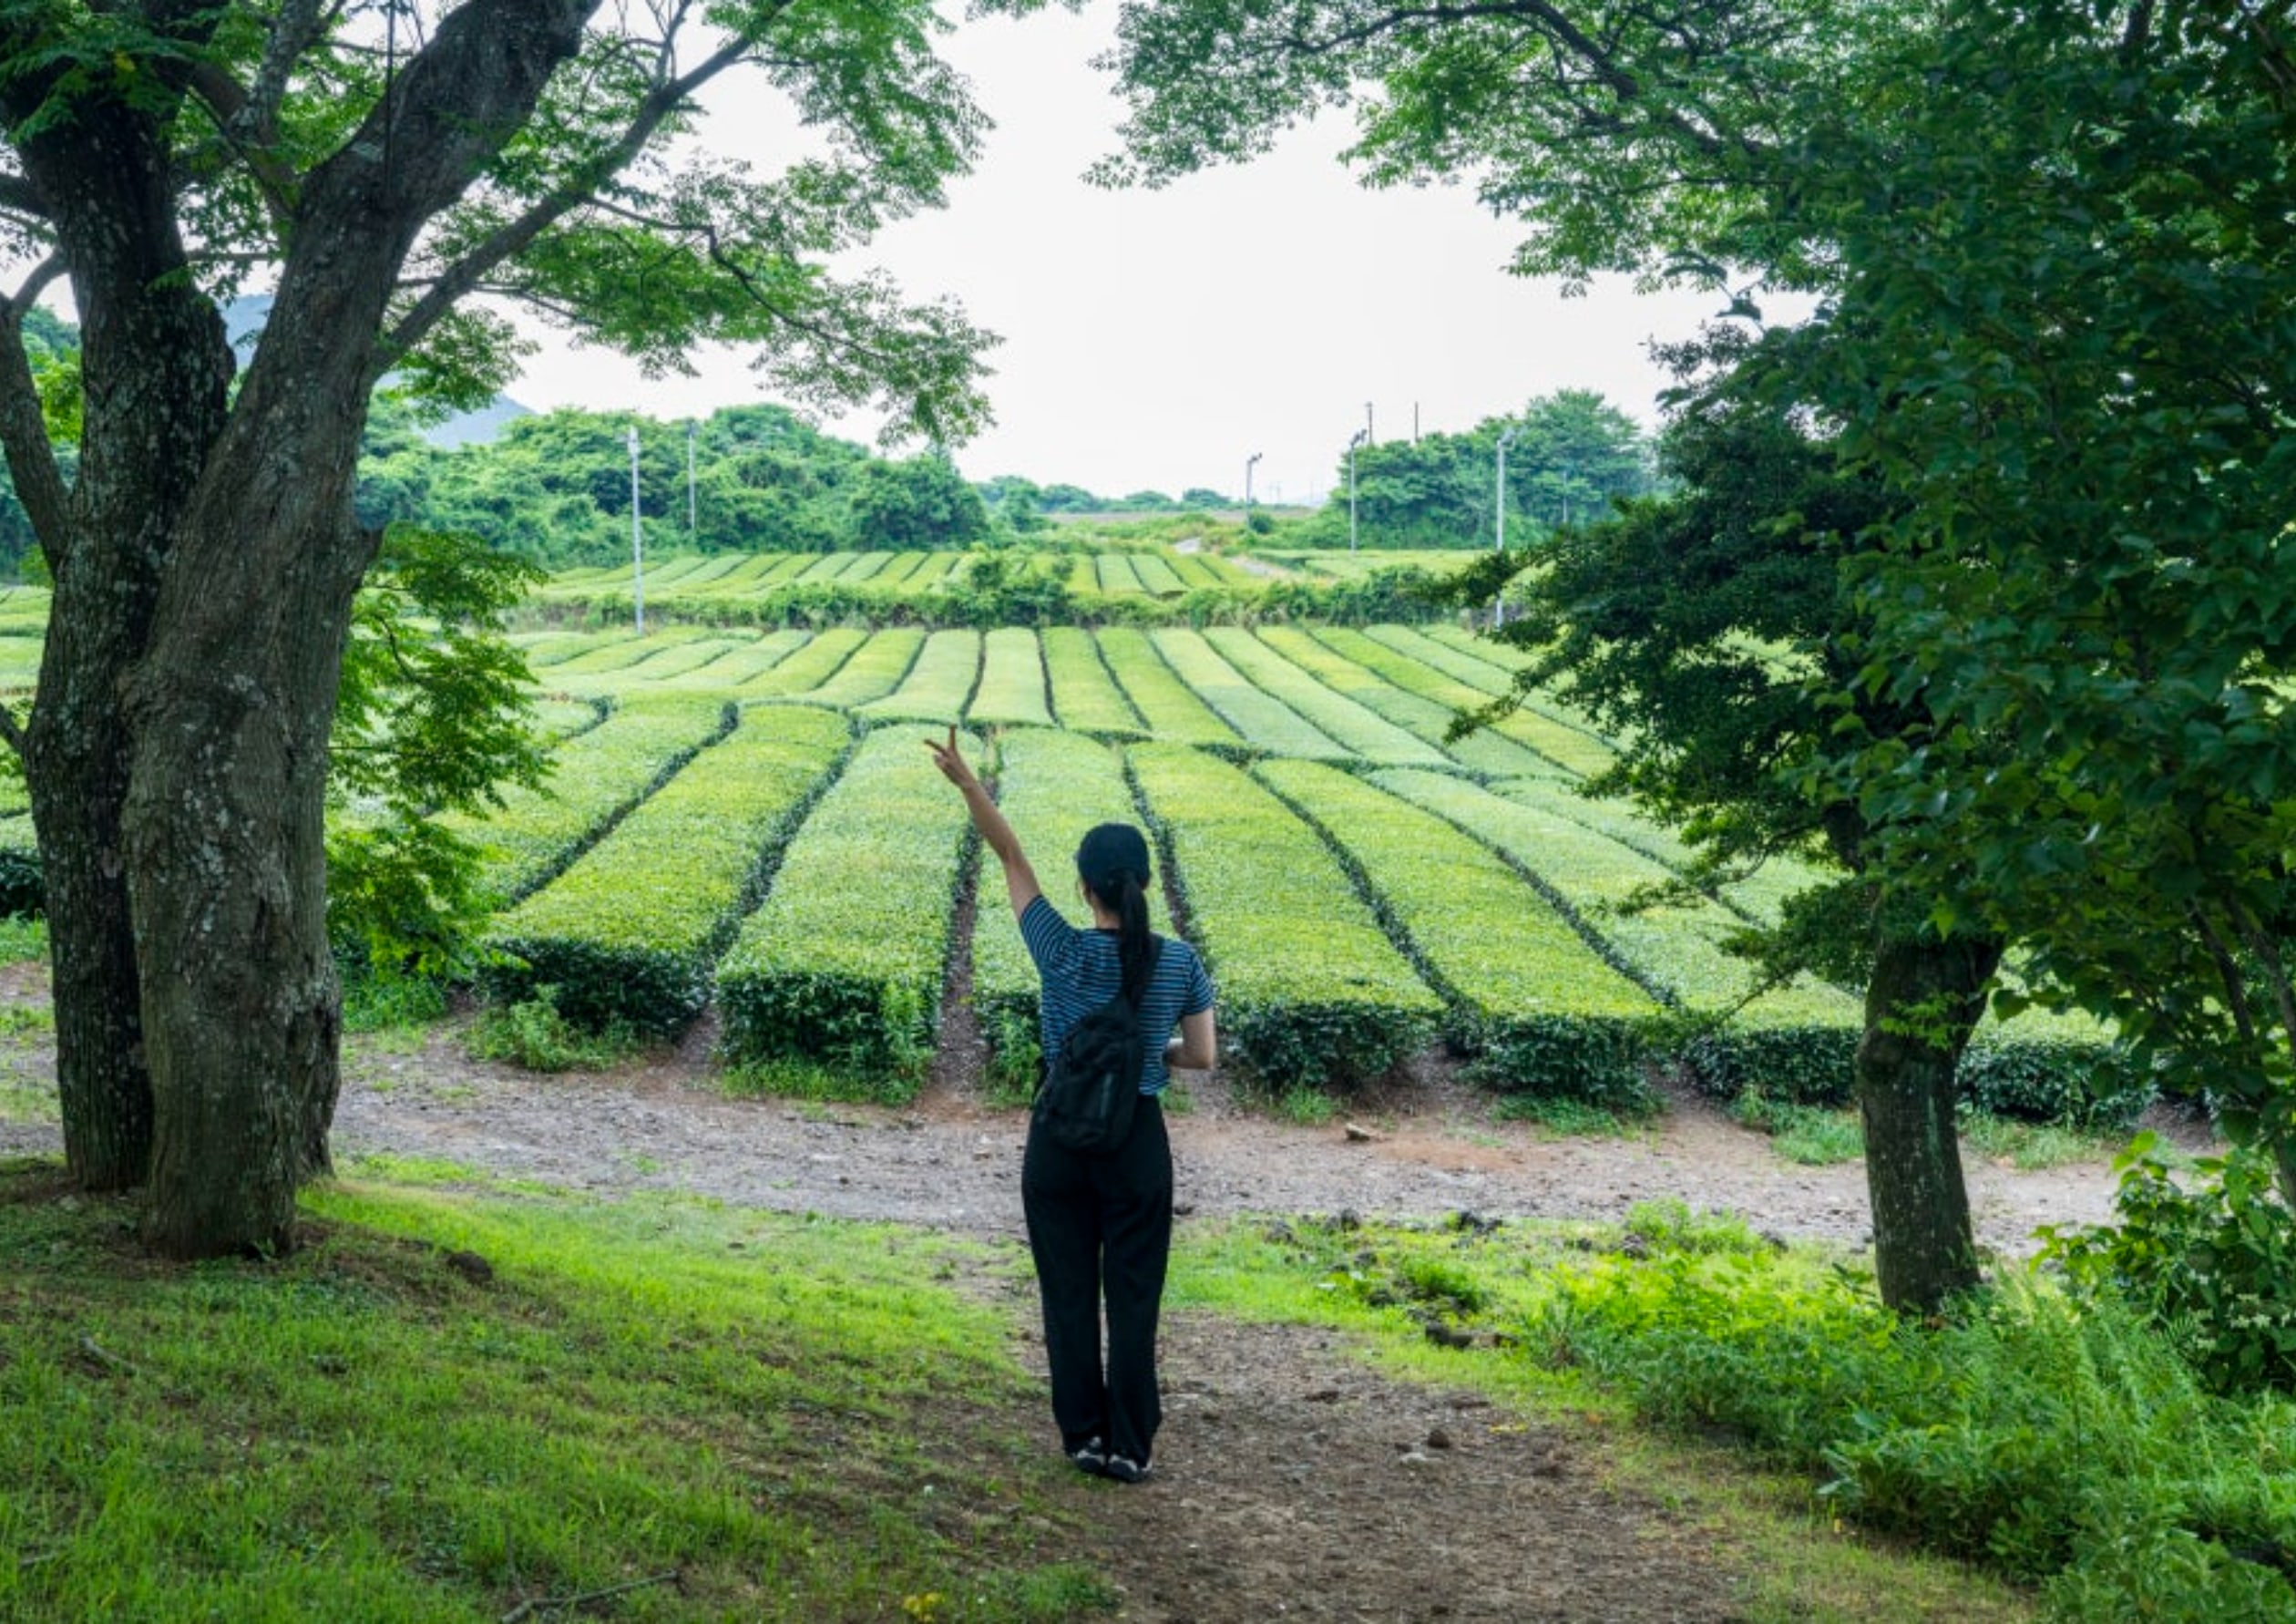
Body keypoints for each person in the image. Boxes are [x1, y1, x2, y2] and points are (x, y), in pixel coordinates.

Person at [927, 726, 1216, 1485]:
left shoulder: (1058, 948)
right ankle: (1131, 1444)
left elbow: (1012, 858)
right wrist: (1155, 1053)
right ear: (1145, 884)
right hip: (1136, 1144)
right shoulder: (1181, 961)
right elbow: (1204, 1057)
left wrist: (966, 782)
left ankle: (1082, 1435)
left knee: (1065, 1291)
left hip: (1057, 1141)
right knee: (1133, 1293)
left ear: (1086, 887)